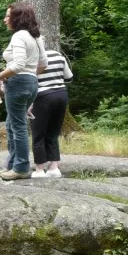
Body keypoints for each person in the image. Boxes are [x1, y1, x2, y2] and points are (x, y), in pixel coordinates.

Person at [0, 3, 48, 180]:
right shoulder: (36, 37)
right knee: (12, 124)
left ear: (17, 18)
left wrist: (0, 76)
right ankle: (12, 164)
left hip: (18, 83)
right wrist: (30, 76)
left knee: (18, 127)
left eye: (7, 16)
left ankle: (21, 168)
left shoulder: (19, 36)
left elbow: (17, 65)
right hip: (32, 82)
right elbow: (43, 64)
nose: (5, 19)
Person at [31, 50, 73, 178]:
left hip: (42, 96)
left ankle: (39, 169)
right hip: (61, 94)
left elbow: (29, 81)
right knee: (53, 132)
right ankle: (54, 168)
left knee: (38, 134)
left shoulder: (32, 57)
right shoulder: (57, 55)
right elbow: (69, 78)